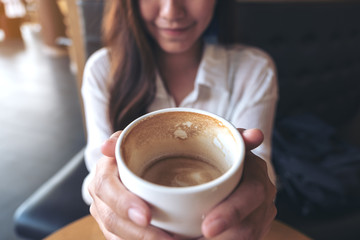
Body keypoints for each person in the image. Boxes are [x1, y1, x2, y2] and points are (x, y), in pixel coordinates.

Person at [81, 0, 278, 239]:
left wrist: (256, 193)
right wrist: (107, 200)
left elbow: (261, 170)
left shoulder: (252, 70)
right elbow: (96, 176)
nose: (171, 11)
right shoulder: (103, 70)